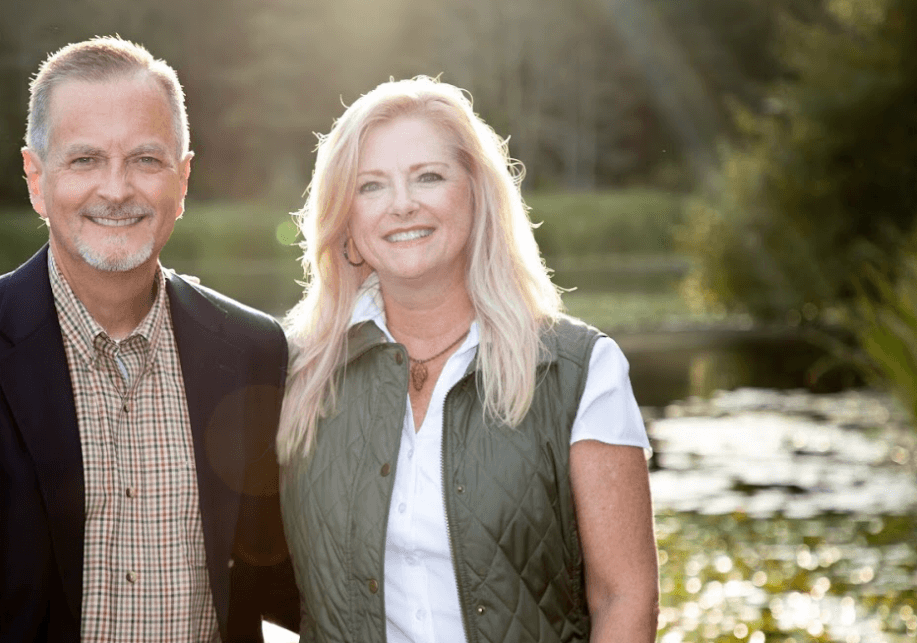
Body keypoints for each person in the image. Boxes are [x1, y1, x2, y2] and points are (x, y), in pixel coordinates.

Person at [0, 36, 298, 642]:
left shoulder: (253, 350)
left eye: (146, 160)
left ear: (182, 180)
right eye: (84, 160)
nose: (117, 189)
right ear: (36, 179)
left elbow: (289, 575)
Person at [277, 76, 660, 643]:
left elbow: (625, 597)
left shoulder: (581, 371)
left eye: (428, 177)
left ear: (477, 195)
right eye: (371, 186)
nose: (402, 204)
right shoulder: (294, 371)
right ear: (347, 221)